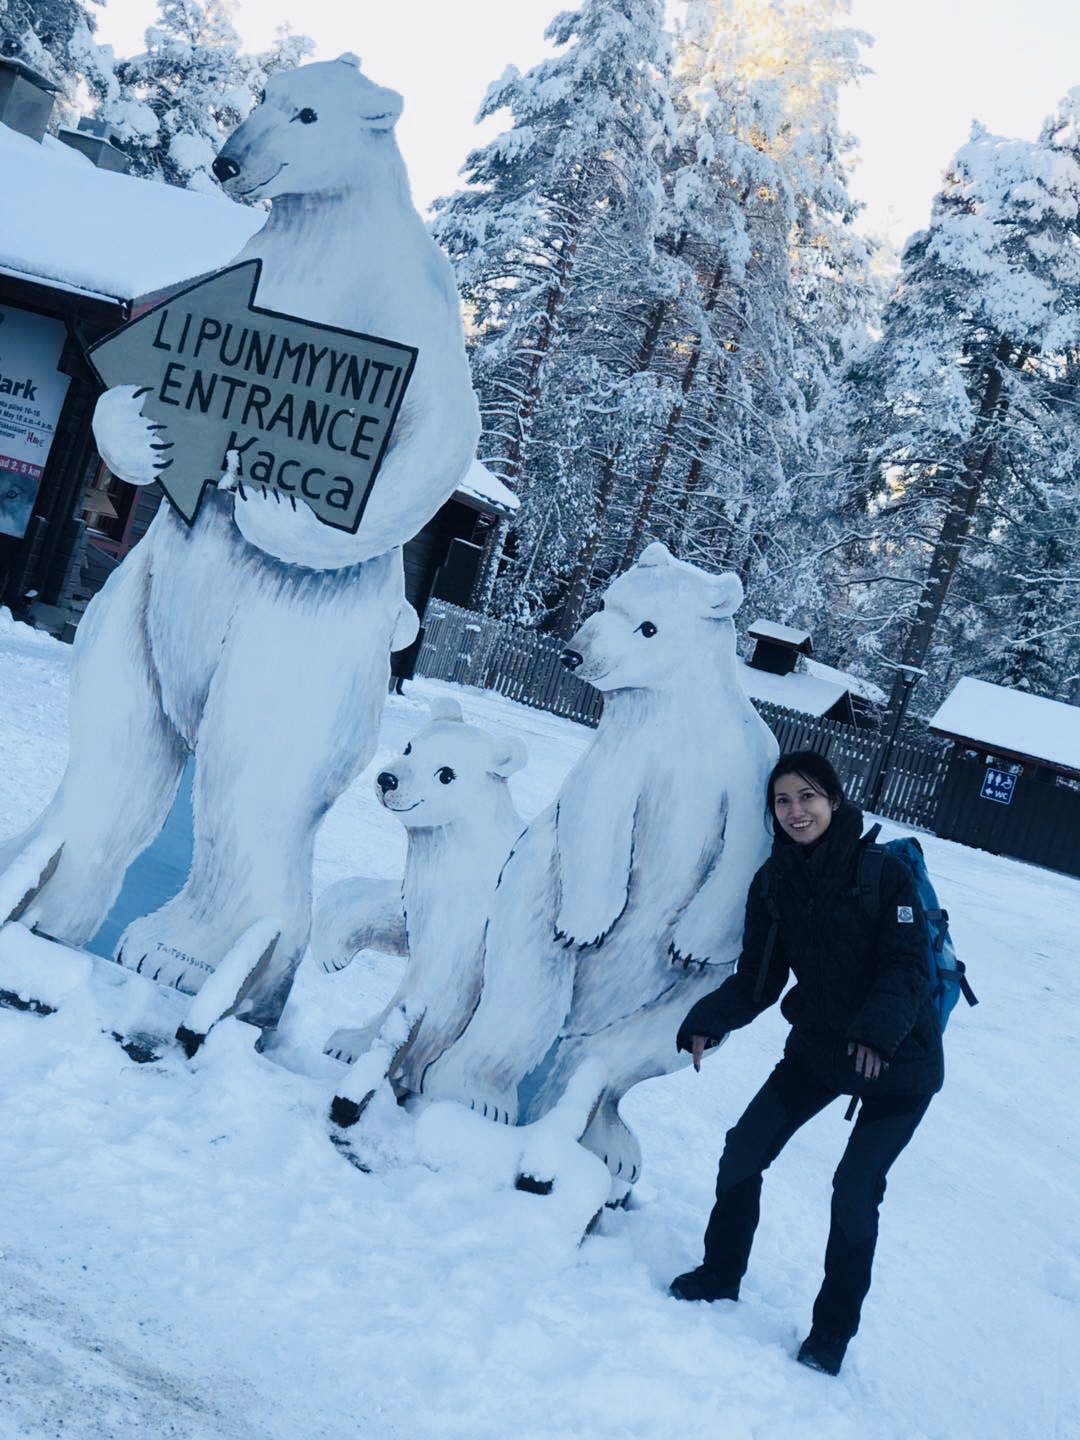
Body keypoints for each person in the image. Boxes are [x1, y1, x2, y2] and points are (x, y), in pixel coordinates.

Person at [670, 751, 943, 1377]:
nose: (796, 811)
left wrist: (876, 1034)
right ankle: (720, 1272)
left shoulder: (882, 874)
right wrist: (709, 1019)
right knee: (744, 1148)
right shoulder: (773, 884)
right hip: (821, 1049)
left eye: (808, 797)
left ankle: (830, 1336)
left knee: (854, 1188)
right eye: (783, 801)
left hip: (902, 1063)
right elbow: (759, 979)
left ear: (835, 800)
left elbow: (908, 966)